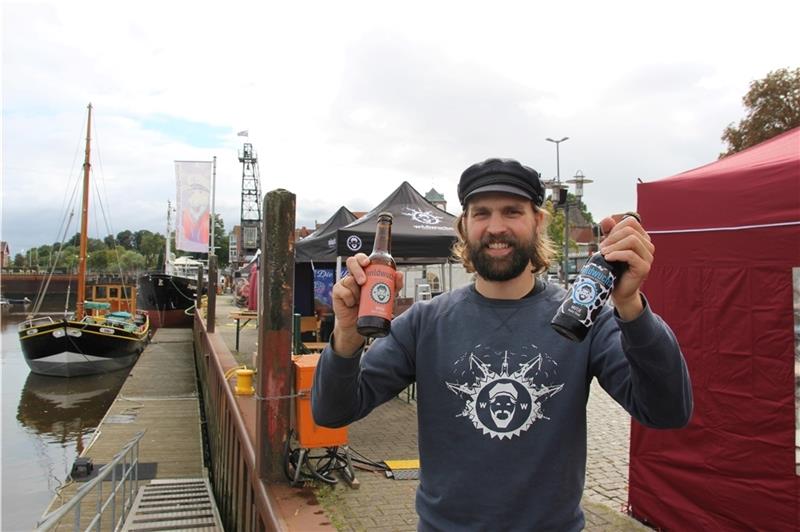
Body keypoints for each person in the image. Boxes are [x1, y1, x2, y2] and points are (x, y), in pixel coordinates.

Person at [312, 157, 693, 531]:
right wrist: (346, 335)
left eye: (512, 211)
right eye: (481, 213)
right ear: (464, 226)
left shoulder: (585, 318)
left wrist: (630, 306)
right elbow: (332, 412)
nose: (496, 227)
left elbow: (667, 412)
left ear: (538, 221)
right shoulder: (424, 323)